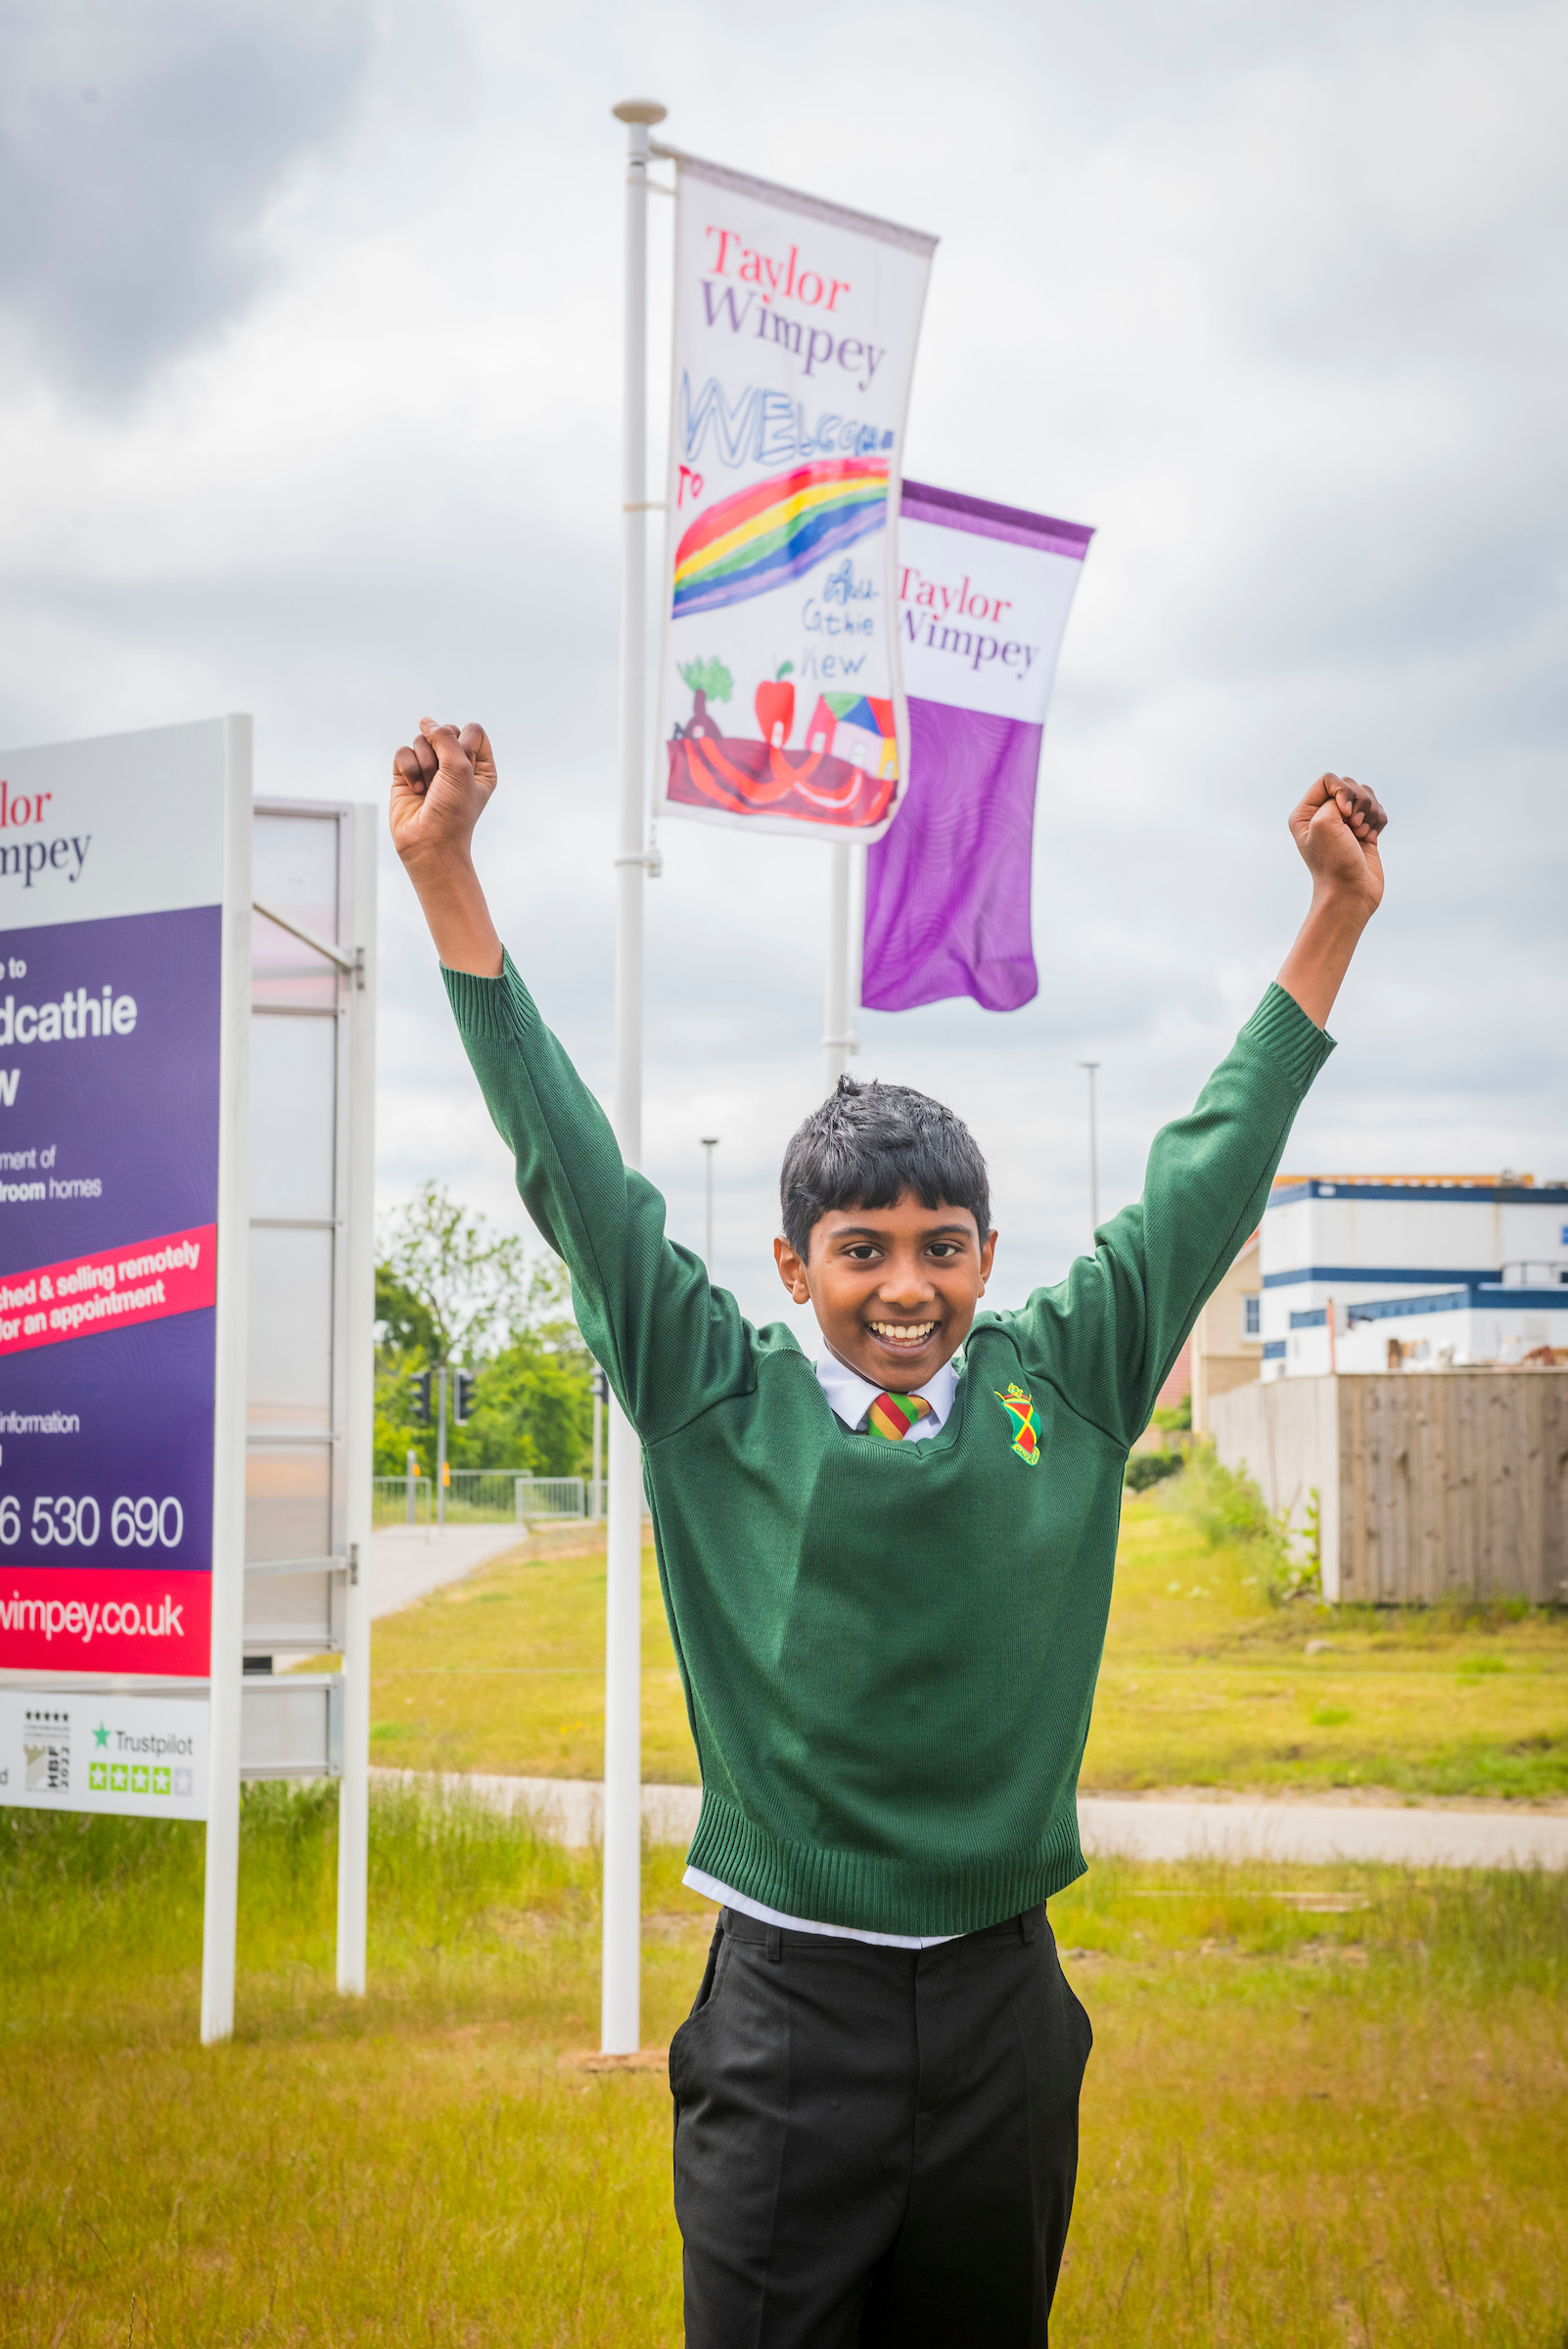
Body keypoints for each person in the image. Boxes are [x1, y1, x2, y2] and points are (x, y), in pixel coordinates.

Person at [390, 719, 1386, 2349]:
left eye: (940, 1247)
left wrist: (1333, 916)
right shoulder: (714, 1400)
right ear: (793, 1269)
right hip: (790, 2025)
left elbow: (1205, 1175)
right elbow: (569, 1166)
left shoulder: (1063, 1380)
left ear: (988, 1255)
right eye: (861, 1250)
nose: (905, 1287)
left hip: (1002, 2014)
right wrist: (448, 878)